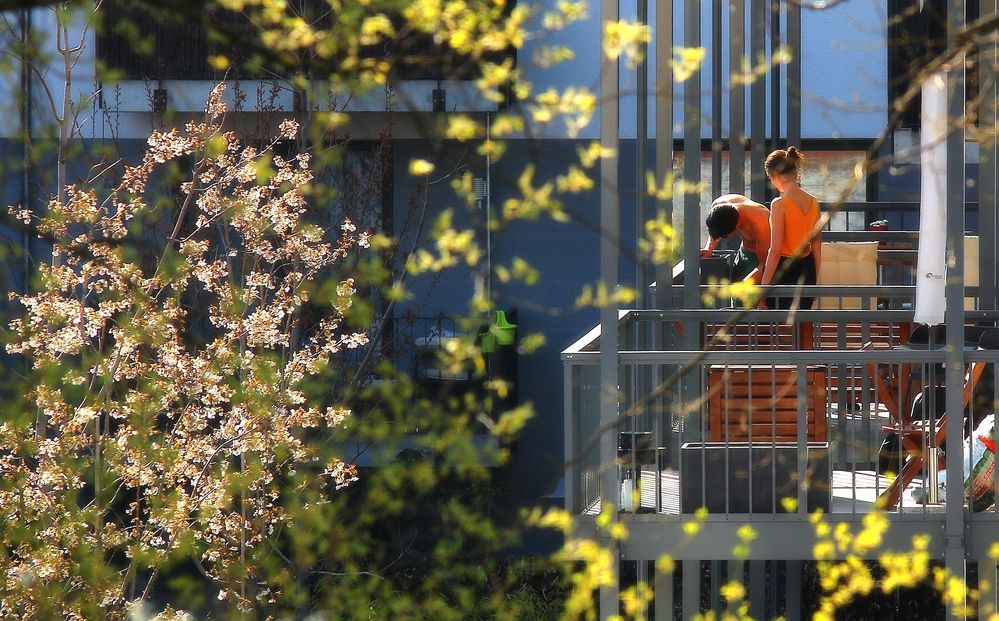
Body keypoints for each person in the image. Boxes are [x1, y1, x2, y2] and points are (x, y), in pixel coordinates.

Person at [759, 147, 822, 310]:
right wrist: (814, 281)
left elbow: (775, 250)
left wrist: (763, 289)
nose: (772, 183)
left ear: (776, 175)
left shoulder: (779, 204)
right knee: (802, 328)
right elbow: (817, 248)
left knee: (777, 329)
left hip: (784, 270)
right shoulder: (814, 202)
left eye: (770, 179)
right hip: (807, 270)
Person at [700, 194, 772, 282]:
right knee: (733, 288)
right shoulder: (718, 205)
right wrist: (709, 248)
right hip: (744, 253)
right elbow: (716, 226)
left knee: (746, 291)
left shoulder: (760, 224)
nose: (723, 239)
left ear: (737, 225)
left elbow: (764, 266)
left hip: (760, 258)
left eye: (725, 236)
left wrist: (745, 284)